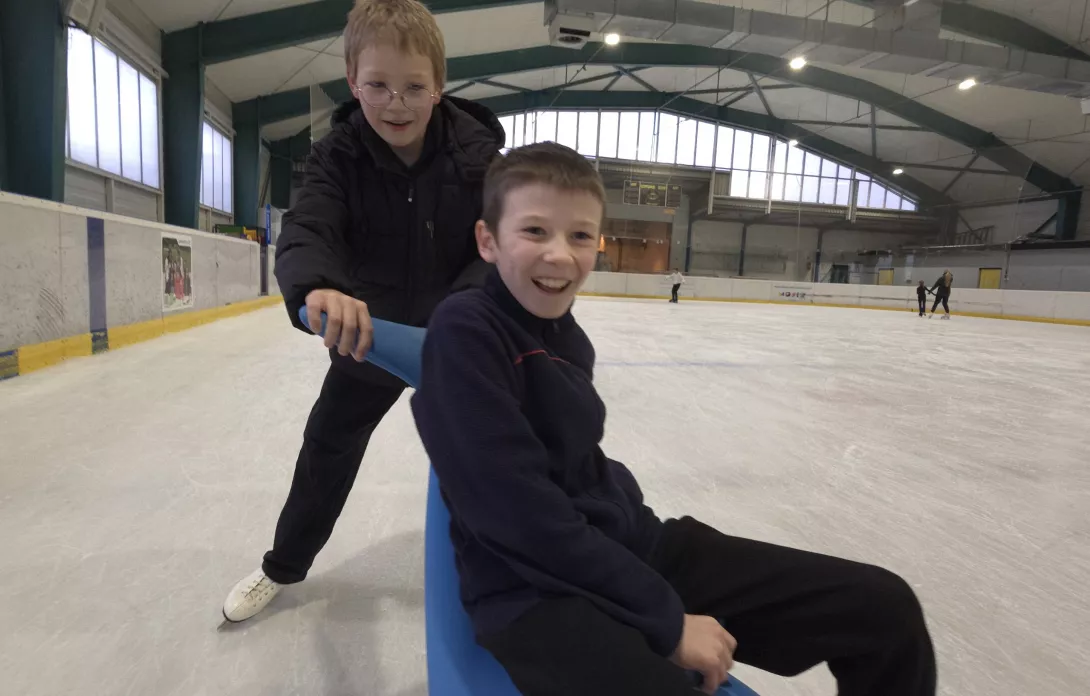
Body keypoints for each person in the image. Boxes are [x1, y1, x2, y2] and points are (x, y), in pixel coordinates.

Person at [411, 142, 936, 696]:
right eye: (535, 231)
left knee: (882, 609)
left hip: (627, 549)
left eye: (580, 235)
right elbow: (516, 515)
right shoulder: (466, 332)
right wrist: (663, 619)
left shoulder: (566, 337)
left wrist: (631, 528)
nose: (561, 255)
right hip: (531, 593)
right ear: (487, 241)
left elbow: (574, 461)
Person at [220, 0, 504, 623]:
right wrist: (319, 286)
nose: (395, 104)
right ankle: (283, 566)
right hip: (370, 336)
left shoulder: (479, 155)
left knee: (491, 455)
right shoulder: (336, 157)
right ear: (352, 82)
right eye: (377, 85)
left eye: (413, 87)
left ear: (439, 87)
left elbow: (501, 238)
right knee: (327, 445)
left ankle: (510, 576)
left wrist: (465, 316)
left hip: (457, 339)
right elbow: (310, 225)